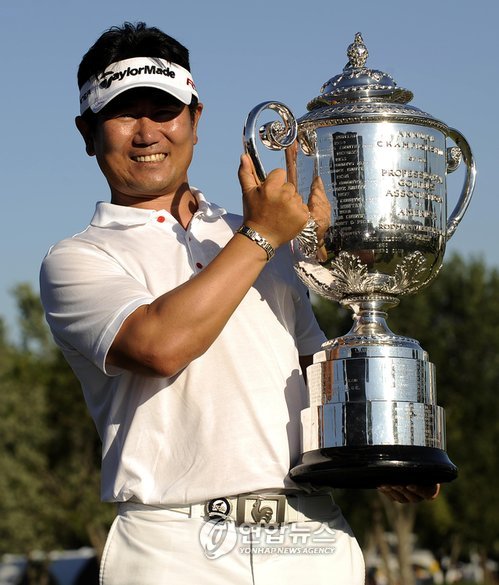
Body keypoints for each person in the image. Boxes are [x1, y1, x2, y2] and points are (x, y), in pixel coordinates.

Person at [40, 22, 438, 585]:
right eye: (124, 114)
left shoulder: (258, 235)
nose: (147, 133)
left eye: (165, 111)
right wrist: (262, 235)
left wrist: (382, 445)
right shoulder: (78, 257)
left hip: (311, 531)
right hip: (174, 544)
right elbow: (159, 346)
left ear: (195, 120)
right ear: (87, 131)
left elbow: (310, 371)